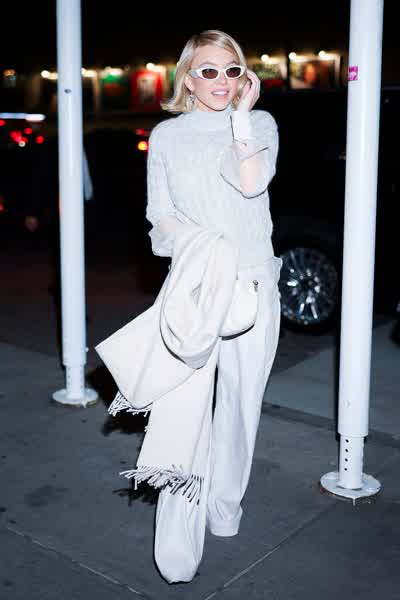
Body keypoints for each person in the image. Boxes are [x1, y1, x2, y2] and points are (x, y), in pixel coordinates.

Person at [145, 29, 282, 581]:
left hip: (253, 286)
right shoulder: (167, 136)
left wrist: (241, 119)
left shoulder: (260, 125)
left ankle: (224, 509)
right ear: (187, 78)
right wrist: (203, 249)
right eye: (208, 70)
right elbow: (160, 217)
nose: (221, 81)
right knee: (183, 413)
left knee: (240, 408)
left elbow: (252, 184)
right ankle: (179, 537)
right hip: (196, 289)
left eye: (232, 69)